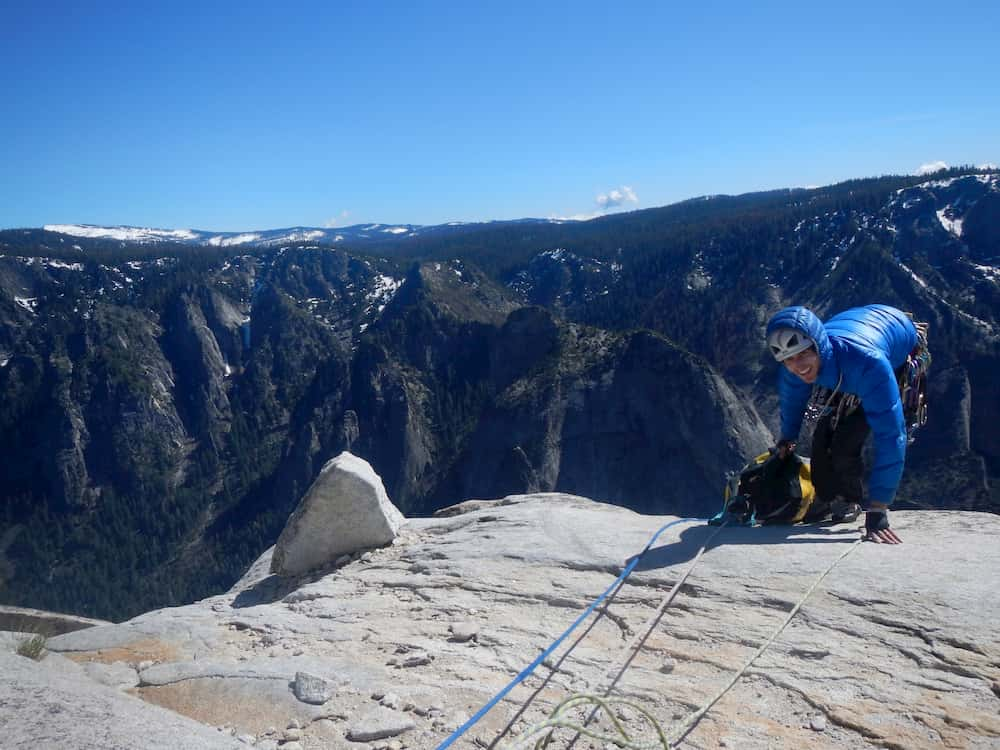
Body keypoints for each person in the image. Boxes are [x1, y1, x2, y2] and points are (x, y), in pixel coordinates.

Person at [765, 304, 918, 544]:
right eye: (789, 360)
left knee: (846, 443)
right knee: (821, 445)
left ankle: (850, 500)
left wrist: (878, 509)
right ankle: (830, 498)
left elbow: (890, 435)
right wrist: (788, 439)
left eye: (804, 353)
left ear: (818, 346)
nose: (798, 366)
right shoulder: (794, 370)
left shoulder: (870, 365)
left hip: (895, 339)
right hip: (851, 340)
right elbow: (792, 401)